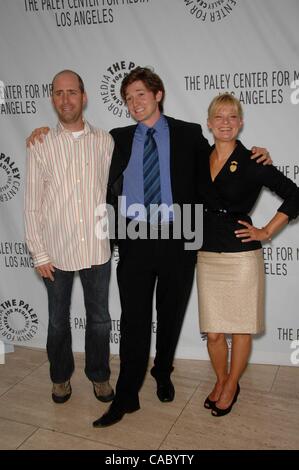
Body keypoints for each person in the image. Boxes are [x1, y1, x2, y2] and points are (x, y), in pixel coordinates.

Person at [26, 67, 270, 427]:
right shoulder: (117, 138)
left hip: (180, 238)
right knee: (134, 321)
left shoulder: (188, 134)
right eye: (128, 98)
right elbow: (78, 149)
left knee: (170, 317)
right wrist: (41, 131)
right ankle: (126, 396)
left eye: (141, 94)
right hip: (135, 241)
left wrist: (252, 155)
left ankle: (163, 371)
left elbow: (217, 166)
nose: (134, 103)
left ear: (158, 95)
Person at [196, 93, 299, 417]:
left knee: (239, 328)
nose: (225, 123)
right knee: (213, 332)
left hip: (242, 257)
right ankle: (224, 379)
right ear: (209, 123)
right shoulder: (198, 157)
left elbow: (294, 195)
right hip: (207, 253)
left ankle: (230, 386)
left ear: (240, 123)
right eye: (219, 117)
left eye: (232, 117)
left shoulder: (255, 161)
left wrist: (267, 231)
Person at [24, 70, 115, 404]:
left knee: (100, 321)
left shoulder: (105, 141)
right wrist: (39, 253)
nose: (66, 99)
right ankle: (60, 378)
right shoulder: (40, 143)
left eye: (72, 92)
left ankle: (100, 376)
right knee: (58, 322)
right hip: (56, 253)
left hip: (96, 248)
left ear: (84, 96)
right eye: (59, 93)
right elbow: (32, 204)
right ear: (52, 98)